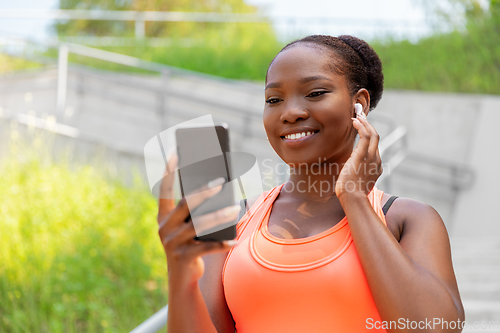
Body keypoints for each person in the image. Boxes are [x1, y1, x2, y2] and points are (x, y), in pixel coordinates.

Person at [157, 35, 465, 332]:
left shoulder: (406, 219)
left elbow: (434, 329)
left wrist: (354, 198)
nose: (290, 113)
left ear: (359, 104)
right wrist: (181, 267)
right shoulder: (229, 218)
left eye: (315, 93)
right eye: (273, 99)